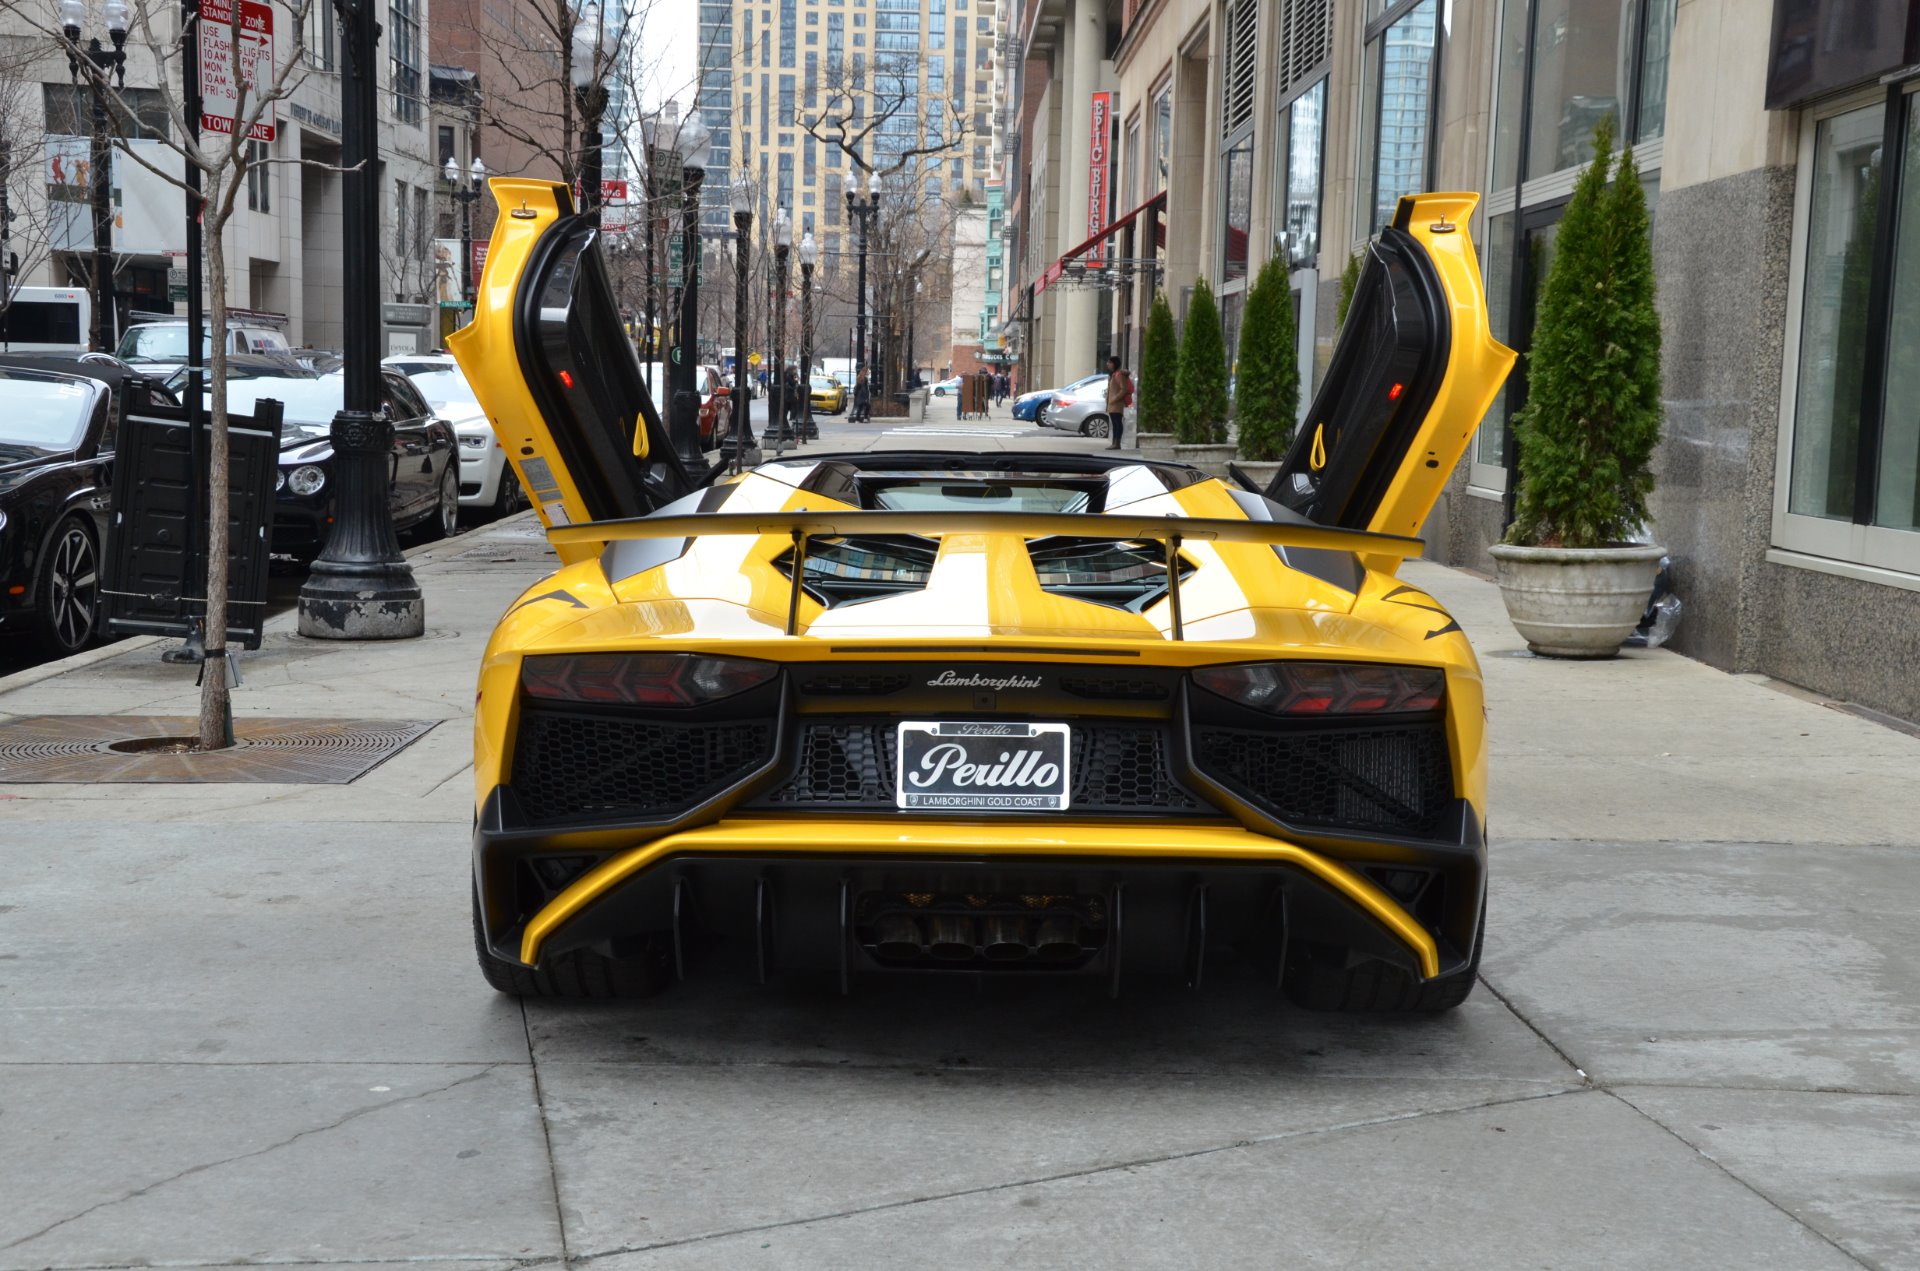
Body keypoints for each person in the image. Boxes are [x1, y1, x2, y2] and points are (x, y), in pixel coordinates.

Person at [1104, 355, 1134, 449]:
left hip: (1117, 404)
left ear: (1114, 364)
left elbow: (1124, 389)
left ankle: (1117, 443)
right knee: (1114, 423)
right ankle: (1114, 442)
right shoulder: (1113, 374)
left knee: (1117, 423)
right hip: (1112, 404)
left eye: (1110, 362)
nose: (1107, 364)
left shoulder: (1119, 374)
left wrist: (1115, 398)